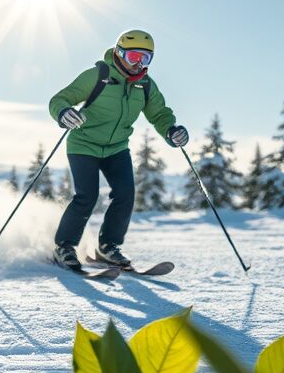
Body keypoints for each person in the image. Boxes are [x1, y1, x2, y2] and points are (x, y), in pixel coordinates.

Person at [48, 30, 188, 271]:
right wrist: (63, 113)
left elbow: (159, 114)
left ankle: (108, 246)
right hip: (84, 144)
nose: (138, 64)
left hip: (116, 148)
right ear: (119, 53)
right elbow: (60, 99)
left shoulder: (144, 85)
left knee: (125, 195)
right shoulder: (98, 76)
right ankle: (65, 247)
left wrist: (171, 131)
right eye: (134, 56)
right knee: (87, 196)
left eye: (145, 59)